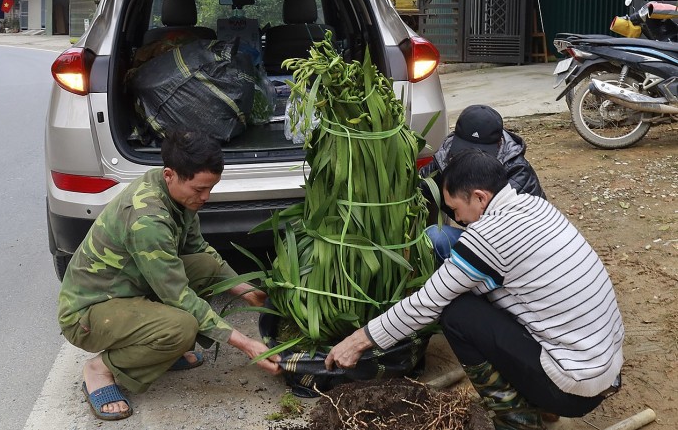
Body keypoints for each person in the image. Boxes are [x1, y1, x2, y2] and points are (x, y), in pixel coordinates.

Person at [325, 150, 624, 430]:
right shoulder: (534, 205)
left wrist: (357, 341)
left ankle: (517, 420)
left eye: (456, 209)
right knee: (470, 295)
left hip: (573, 388)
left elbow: (425, 303)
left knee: (457, 313)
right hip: (605, 371)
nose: (457, 220)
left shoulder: (490, 236)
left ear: (480, 197)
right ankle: (540, 404)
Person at [57, 130, 281, 421]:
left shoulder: (175, 194)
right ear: (169, 175)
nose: (205, 197)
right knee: (181, 327)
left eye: (210, 188)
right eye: (199, 189)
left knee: (205, 266)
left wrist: (248, 291)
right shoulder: (148, 220)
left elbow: (199, 250)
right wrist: (248, 344)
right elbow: (179, 296)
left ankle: (158, 348)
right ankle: (101, 369)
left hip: (128, 288)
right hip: (88, 312)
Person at [420, 104, 546, 262]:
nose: (470, 159)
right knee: (435, 237)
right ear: (455, 140)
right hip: (479, 237)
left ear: (500, 143)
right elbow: (421, 185)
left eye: (481, 151)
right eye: (464, 150)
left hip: (509, 250)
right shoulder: (446, 159)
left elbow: (524, 238)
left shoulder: (518, 174)